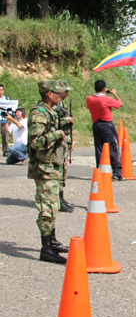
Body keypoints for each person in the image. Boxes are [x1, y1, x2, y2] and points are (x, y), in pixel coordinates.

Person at [28, 81, 71, 264]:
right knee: (47, 209)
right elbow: (35, 143)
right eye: (57, 93)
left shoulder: (51, 112)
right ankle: (46, 250)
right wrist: (57, 134)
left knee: (52, 208)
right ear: (48, 94)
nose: (60, 95)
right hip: (44, 168)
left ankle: (51, 242)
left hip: (52, 166)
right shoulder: (39, 113)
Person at [86, 80, 123, 180]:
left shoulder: (89, 98)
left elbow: (89, 106)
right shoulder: (107, 99)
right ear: (103, 89)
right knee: (112, 147)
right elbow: (119, 104)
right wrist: (114, 94)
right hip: (107, 124)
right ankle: (117, 172)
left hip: (96, 124)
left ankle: (101, 171)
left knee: (99, 149)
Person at [55, 81, 75, 213]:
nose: (67, 94)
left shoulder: (61, 104)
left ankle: (61, 197)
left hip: (65, 140)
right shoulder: (55, 104)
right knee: (59, 171)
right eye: (65, 91)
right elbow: (55, 120)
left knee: (64, 170)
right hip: (59, 141)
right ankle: (57, 199)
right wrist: (68, 119)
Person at [0, 84, 11, 156]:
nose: (0, 91)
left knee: (5, 136)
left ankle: (6, 151)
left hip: (4, 120)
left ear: (3, 91)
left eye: (1, 90)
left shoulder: (7, 99)